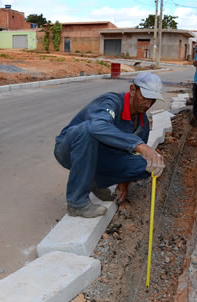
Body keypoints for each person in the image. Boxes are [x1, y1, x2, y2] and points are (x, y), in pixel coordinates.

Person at [54, 72, 166, 218]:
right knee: (88, 130)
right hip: (69, 149)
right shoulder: (111, 101)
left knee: (147, 164)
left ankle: (96, 180)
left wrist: (124, 182)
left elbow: (132, 155)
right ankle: (77, 203)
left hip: (100, 156)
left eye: (153, 100)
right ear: (133, 90)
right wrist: (139, 145)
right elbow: (97, 126)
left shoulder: (142, 123)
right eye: (144, 97)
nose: (148, 104)